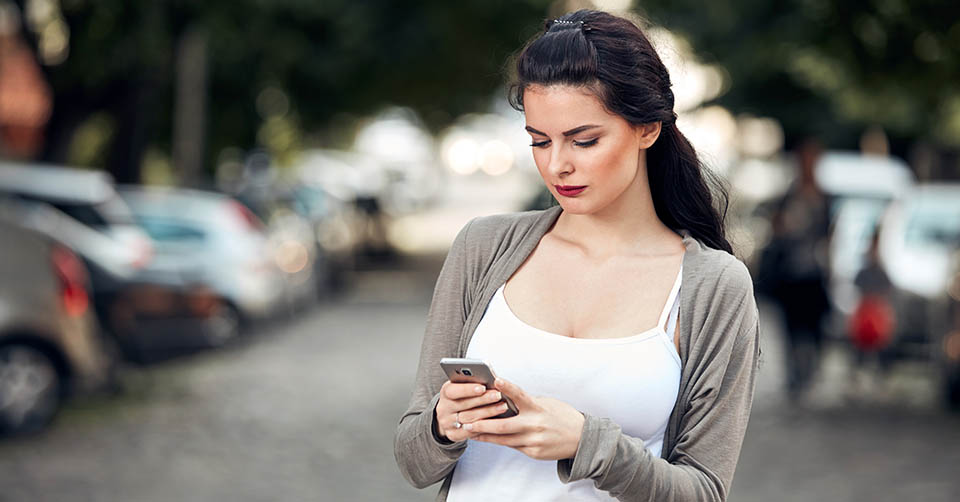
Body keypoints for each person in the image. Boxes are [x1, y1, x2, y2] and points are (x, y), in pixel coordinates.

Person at [394, 10, 760, 502]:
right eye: (539, 141)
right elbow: (413, 460)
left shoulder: (713, 286)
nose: (557, 164)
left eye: (584, 140)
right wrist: (443, 423)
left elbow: (704, 491)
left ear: (647, 128)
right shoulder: (483, 249)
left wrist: (589, 444)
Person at [764, 137, 832, 401]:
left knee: (814, 326)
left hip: (814, 272)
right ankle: (795, 376)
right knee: (791, 326)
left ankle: (809, 373)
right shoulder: (787, 196)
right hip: (790, 274)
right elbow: (776, 229)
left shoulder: (823, 197)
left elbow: (828, 236)